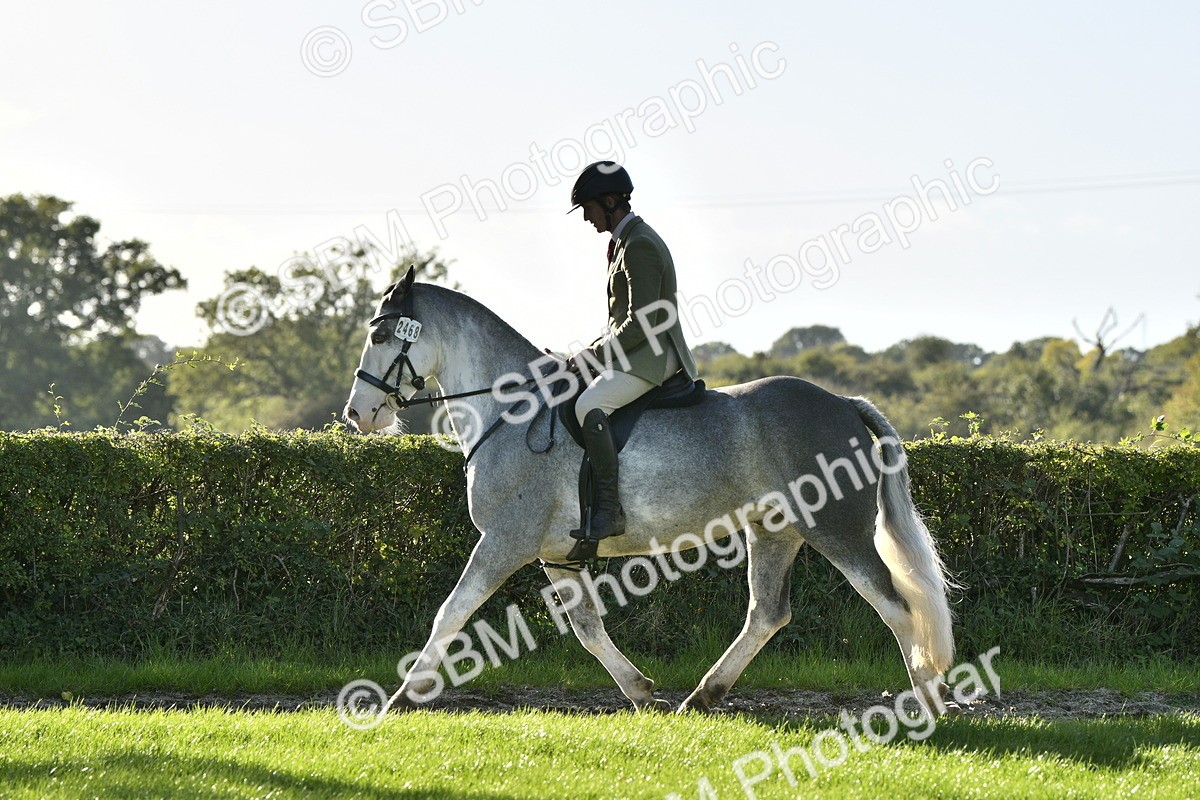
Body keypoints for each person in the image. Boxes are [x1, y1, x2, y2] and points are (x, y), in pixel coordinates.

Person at [566, 161, 698, 543]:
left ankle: (609, 509)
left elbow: (640, 323)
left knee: (587, 406)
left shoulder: (639, 245)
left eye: (588, 208)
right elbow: (619, 321)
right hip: (638, 347)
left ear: (610, 201)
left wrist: (593, 358)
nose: (586, 218)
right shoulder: (625, 242)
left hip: (653, 351)